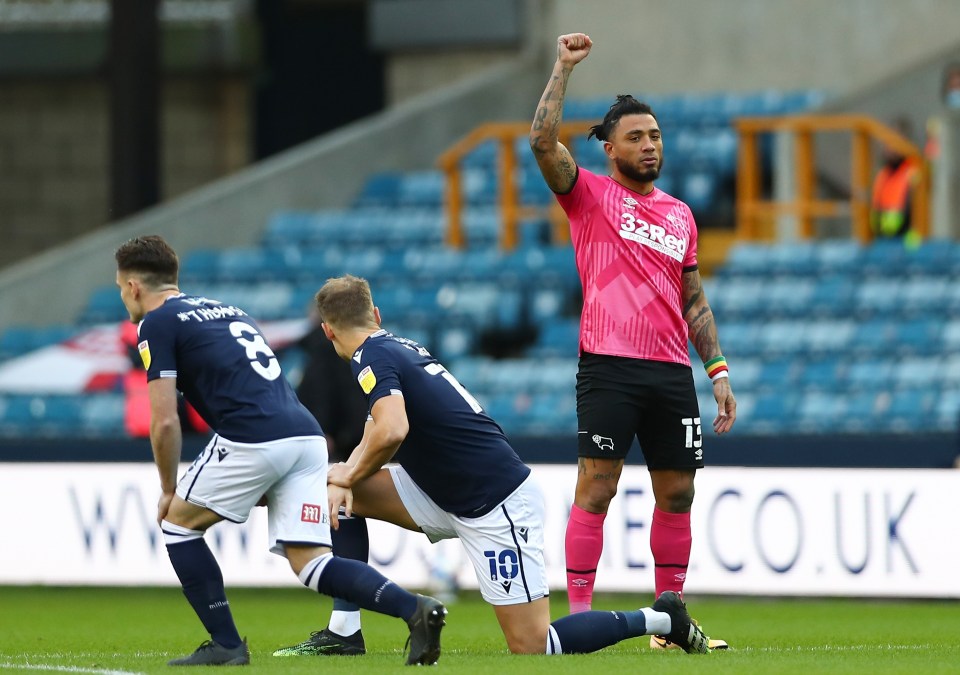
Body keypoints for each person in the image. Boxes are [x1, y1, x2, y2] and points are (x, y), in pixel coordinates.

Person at [275, 274, 711, 657]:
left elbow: (392, 429)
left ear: (328, 331)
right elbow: (377, 427)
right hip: (442, 491)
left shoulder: (372, 358)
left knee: (534, 646)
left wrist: (349, 473)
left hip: (494, 503)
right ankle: (344, 631)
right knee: (333, 489)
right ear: (376, 312)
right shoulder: (395, 347)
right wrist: (343, 476)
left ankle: (662, 619)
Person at [114, 236, 446, 666]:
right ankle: (413, 609)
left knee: (178, 524)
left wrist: (167, 487)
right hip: (305, 437)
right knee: (309, 562)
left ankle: (227, 644)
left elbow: (163, 420)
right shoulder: (229, 311)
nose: (124, 297)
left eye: (122, 288)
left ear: (134, 287)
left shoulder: (156, 323)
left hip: (253, 436)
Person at [527, 33, 737, 650]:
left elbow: (693, 299)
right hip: (608, 365)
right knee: (597, 486)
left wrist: (718, 371)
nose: (651, 145)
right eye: (637, 137)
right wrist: (563, 67)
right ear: (610, 148)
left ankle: (669, 620)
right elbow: (541, 140)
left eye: (656, 136)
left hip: (671, 371)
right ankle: (579, 619)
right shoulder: (588, 195)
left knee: (678, 490)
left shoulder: (680, 214)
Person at [272, 310, 372, 656]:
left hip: (366, 449)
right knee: (345, 502)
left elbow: (319, 402)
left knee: (339, 498)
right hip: (376, 449)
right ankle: (345, 627)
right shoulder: (384, 350)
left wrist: (328, 446)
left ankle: (361, 623)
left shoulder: (323, 351)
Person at [869, 117, 922, 242]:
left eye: (896, 141)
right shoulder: (882, 175)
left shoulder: (915, 171)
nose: (890, 147)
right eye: (888, 141)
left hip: (909, 246)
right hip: (882, 241)